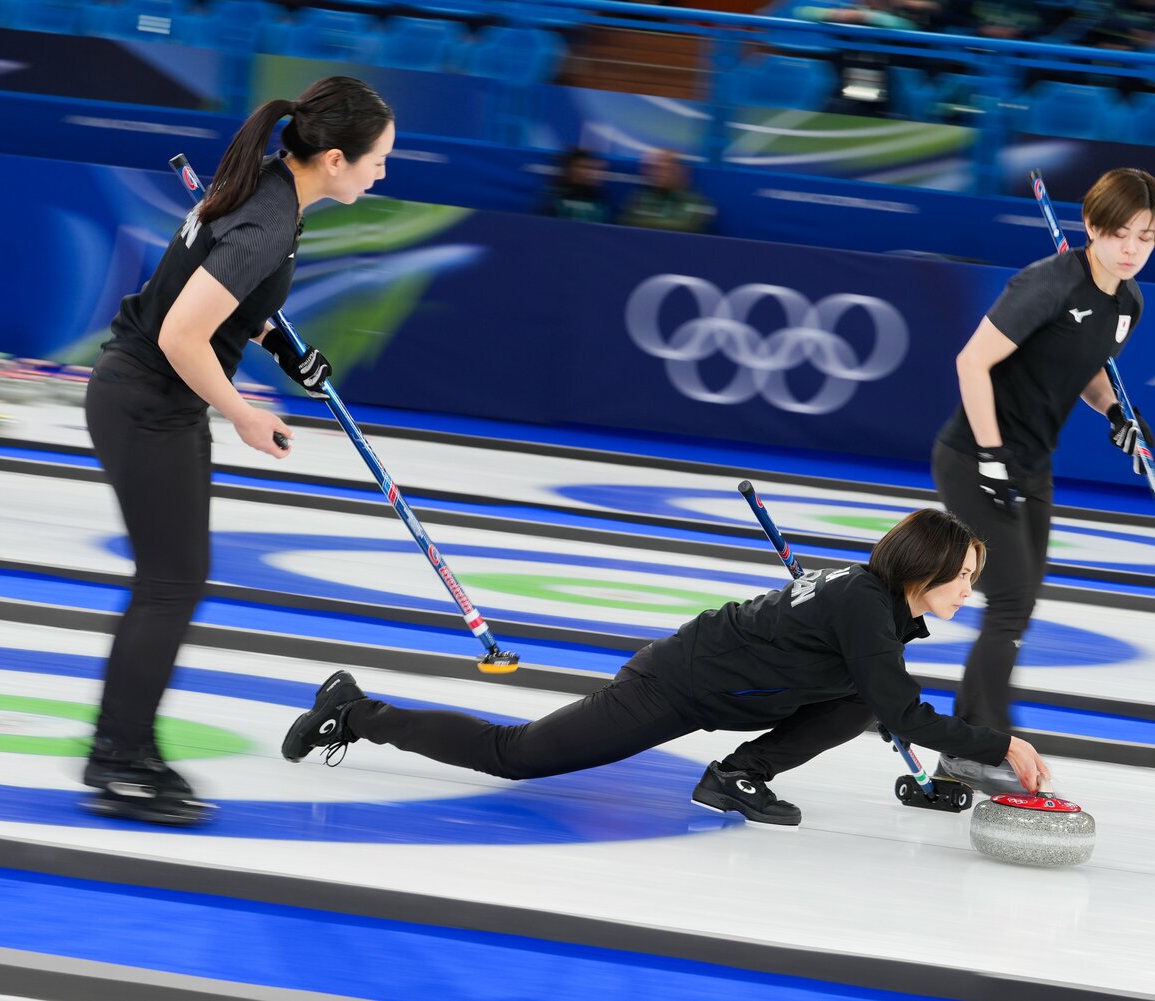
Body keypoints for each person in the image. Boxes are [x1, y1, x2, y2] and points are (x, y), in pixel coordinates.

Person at [282, 509, 1052, 827]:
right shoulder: (864, 607)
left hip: (724, 684)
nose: (969, 590)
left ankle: (737, 775)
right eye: (963, 576)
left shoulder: (879, 604)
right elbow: (910, 714)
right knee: (514, 756)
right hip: (676, 683)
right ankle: (354, 711)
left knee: (864, 698)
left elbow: (887, 698)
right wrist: (1001, 744)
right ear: (924, 569)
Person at [82, 76, 395, 826]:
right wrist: (246, 412)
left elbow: (224, 297)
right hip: (149, 400)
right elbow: (180, 333)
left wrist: (282, 350)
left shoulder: (268, 190)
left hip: (159, 399)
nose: (383, 171)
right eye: (377, 158)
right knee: (171, 583)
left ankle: (127, 747)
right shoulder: (268, 217)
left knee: (176, 580)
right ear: (332, 159)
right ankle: (118, 759)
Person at [930, 168, 1155, 794]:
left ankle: (960, 751)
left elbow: (1087, 370)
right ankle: (990, 746)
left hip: (1032, 466)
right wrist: (989, 454)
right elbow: (972, 361)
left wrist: (1117, 414)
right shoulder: (1047, 283)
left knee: (1018, 604)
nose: (1130, 248)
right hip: (972, 458)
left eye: (1145, 236)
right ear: (1091, 228)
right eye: (1119, 233)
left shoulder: (1129, 303)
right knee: (1009, 601)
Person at [618, 149, 716, 234]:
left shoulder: (699, 203)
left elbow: (689, 227)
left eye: (663, 167)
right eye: (652, 168)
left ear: (679, 170)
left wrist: (647, 223)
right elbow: (628, 223)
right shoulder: (638, 198)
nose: (655, 173)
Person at [543, 147, 610, 223]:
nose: (594, 173)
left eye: (599, 169)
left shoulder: (604, 200)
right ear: (570, 169)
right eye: (586, 167)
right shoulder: (553, 196)